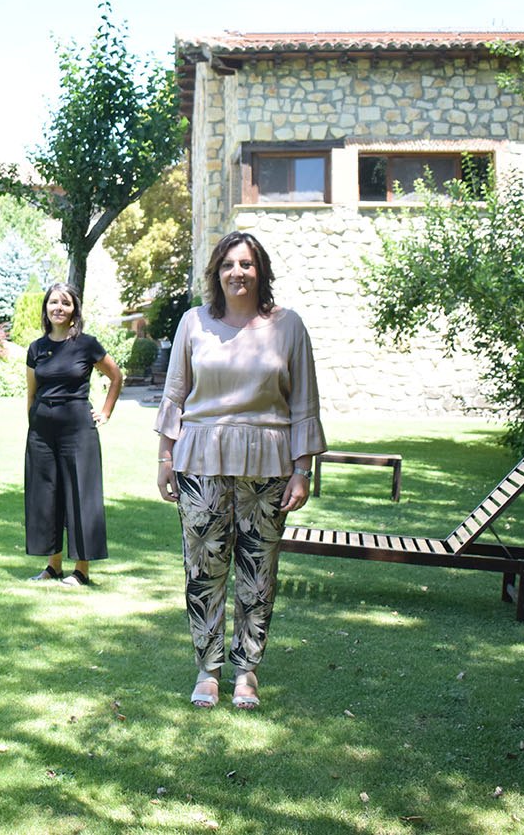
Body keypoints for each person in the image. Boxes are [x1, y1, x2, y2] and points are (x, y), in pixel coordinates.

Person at [155, 231, 326, 709]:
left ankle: (246, 672)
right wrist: (165, 460)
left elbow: (303, 401)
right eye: (229, 264)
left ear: (261, 271)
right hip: (200, 459)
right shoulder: (193, 323)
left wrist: (302, 470)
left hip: (268, 463)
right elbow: (175, 394)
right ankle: (208, 669)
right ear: (217, 273)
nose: (238, 272)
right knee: (204, 568)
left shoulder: (289, 327)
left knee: (257, 570)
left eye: (247, 264)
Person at [24, 283, 124, 586]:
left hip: (78, 429)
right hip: (42, 432)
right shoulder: (36, 348)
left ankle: (81, 570)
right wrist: (34, 421)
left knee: (81, 495)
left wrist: (105, 411)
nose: (58, 307)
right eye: (53, 302)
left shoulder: (87, 345)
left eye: (65, 303)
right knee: (45, 495)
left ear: (73, 311)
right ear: (46, 309)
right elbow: (31, 392)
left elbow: (116, 376)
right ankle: (52, 566)